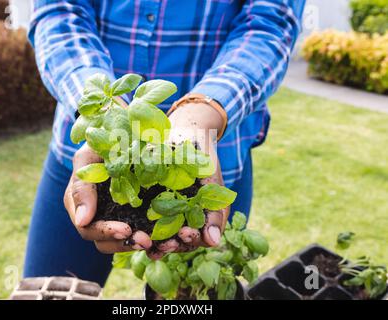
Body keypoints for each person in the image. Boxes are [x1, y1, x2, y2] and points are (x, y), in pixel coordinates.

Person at [24, 0, 306, 286]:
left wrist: (203, 110)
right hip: (89, 155)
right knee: (49, 290)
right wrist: (103, 111)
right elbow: (59, 11)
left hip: (213, 155)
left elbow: (269, 22)